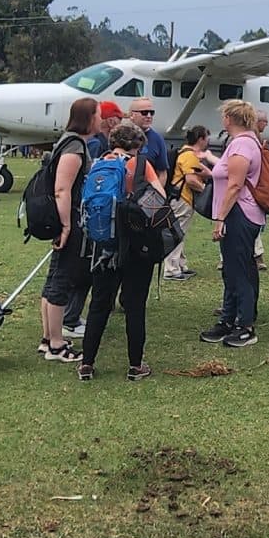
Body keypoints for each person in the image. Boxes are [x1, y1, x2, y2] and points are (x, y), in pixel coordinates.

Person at [77, 123, 163, 382]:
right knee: (135, 305)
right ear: (137, 145)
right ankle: (135, 365)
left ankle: (87, 363)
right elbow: (159, 200)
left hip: (103, 246)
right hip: (135, 246)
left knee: (100, 305)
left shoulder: (98, 165)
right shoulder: (139, 165)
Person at [35, 97, 96, 363]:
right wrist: (67, 225)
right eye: (98, 114)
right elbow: (62, 188)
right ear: (88, 117)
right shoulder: (74, 146)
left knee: (54, 278)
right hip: (68, 220)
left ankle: (49, 339)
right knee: (62, 281)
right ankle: (58, 345)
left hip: (64, 219)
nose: (102, 119)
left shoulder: (67, 140)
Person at [202, 100, 266, 349]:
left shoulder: (241, 144)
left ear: (229, 118)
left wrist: (220, 218)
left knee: (238, 270)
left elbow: (235, 184)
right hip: (241, 213)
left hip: (238, 213)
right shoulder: (248, 141)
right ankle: (228, 319)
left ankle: (246, 325)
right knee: (235, 267)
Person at [164, 127, 211, 281]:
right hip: (183, 199)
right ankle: (171, 269)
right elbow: (191, 179)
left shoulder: (183, 152)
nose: (208, 141)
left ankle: (181, 264)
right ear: (201, 139)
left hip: (180, 198)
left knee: (180, 232)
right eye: (207, 138)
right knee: (177, 233)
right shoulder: (190, 156)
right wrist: (205, 191)